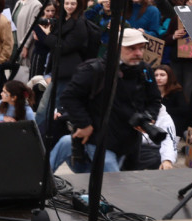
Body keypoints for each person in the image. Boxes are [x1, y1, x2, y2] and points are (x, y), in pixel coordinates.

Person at [49, 28, 162, 173]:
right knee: (111, 185)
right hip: (99, 139)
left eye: (141, 48)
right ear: (117, 47)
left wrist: (148, 117)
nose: (138, 53)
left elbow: (155, 99)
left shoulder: (145, 71)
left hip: (128, 142)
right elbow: (69, 97)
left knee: (111, 183)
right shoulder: (94, 70)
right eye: (131, 48)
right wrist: (84, 124)